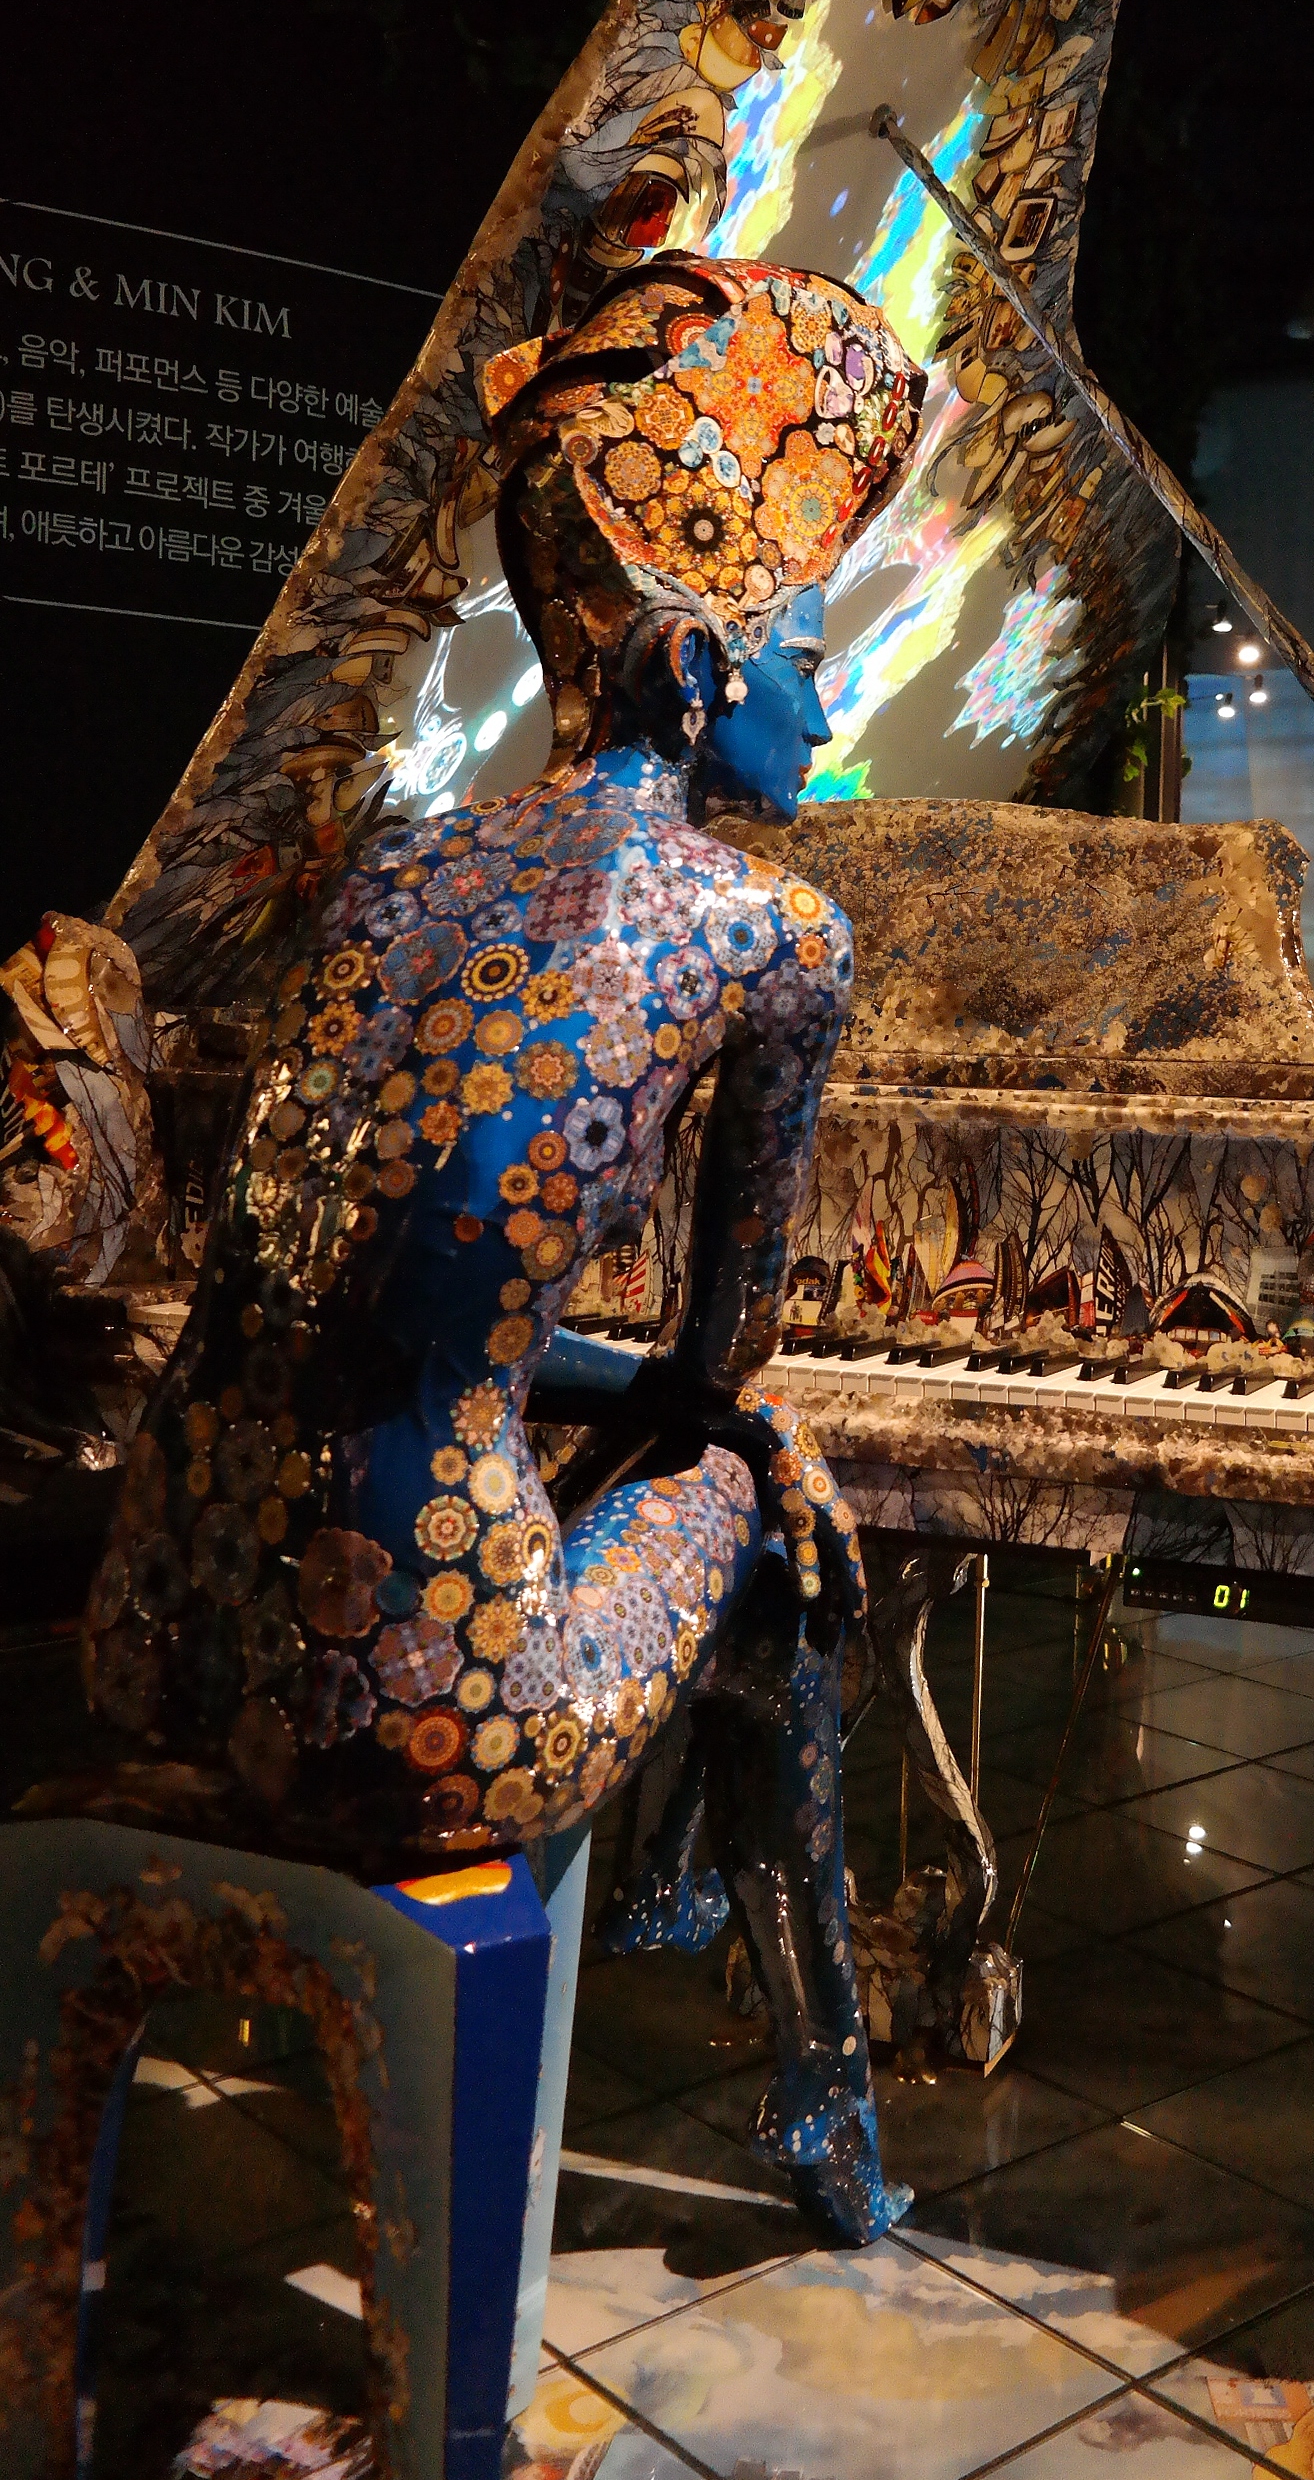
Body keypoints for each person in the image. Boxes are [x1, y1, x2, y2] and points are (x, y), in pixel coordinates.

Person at [80, 253, 925, 2237]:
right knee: (760, 1490)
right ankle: (817, 2091)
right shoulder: (770, 927)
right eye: (808, 655)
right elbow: (718, 1363)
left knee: (651, 1446)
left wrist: (575, 1376)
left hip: (159, 1641)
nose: (831, 704)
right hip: (428, 1711)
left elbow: (358, 1284)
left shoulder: (392, 874)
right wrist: (722, 1414)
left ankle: (676, 1902)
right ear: (698, 670)